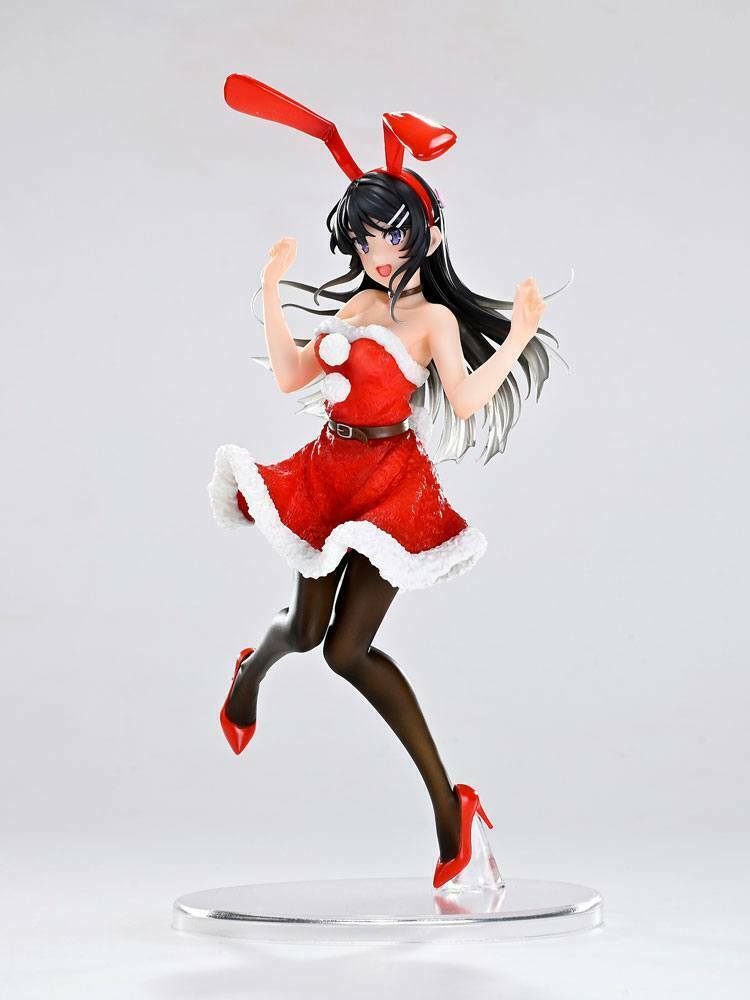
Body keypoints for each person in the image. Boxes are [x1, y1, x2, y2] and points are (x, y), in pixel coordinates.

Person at [207, 75, 568, 889]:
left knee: (347, 651)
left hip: (390, 487)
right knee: (305, 634)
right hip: (327, 474)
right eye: (366, 237)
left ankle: (451, 809)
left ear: (424, 237)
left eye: (393, 236)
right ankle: (250, 670)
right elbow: (293, 376)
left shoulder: (432, 321)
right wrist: (268, 288)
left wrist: (519, 335)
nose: (378, 252)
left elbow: (465, 401)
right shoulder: (357, 309)